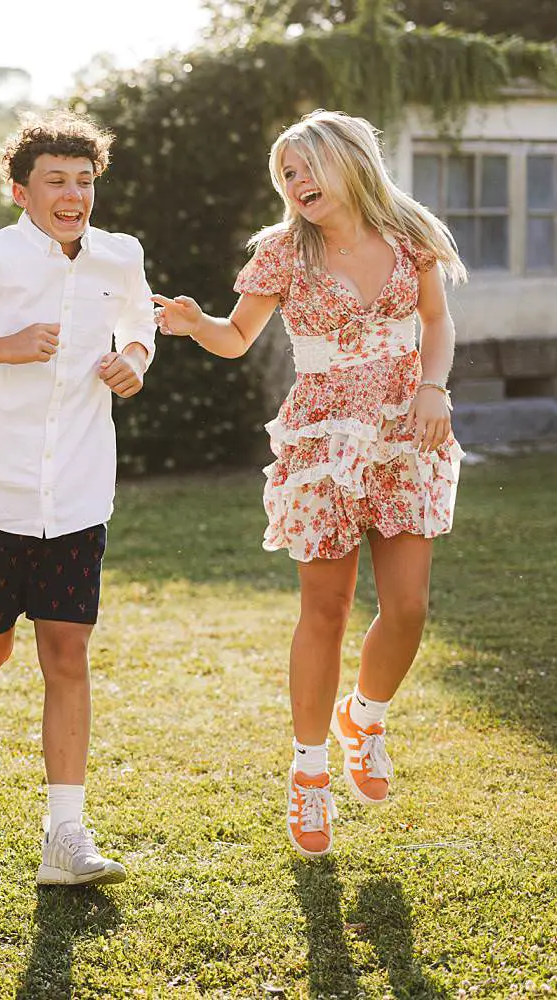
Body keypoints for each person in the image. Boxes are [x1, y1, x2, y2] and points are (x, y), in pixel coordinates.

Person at [151, 109, 464, 858]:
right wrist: (198, 324)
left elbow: (438, 320)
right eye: (285, 175)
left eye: (304, 169)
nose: (294, 184)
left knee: (410, 608)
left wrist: (435, 388)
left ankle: (366, 717)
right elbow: (235, 337)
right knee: (323, 611)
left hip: (405, 431)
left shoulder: (409, 234)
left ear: (348, 162)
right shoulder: (282, 253)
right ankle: (310, 774)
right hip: (320, 441)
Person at [0, 110, 154, 887]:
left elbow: (138, 320)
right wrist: (0, 348)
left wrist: (135, 358)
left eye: (84, 181)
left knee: (67, 652)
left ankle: (66, 837)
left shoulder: (120, 256)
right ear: (22, 191)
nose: (74, 194)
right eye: (57, 181)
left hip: (79, 494)